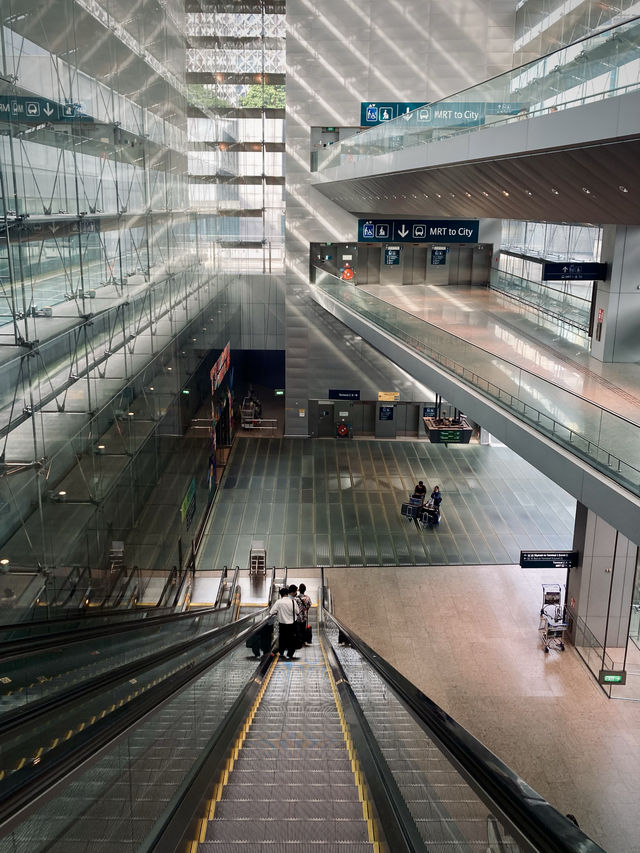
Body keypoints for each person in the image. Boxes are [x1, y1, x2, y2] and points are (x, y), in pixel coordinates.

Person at [270, 585, 300, 659]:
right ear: (287, 594)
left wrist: (278, 612)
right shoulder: (293, 602)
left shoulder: (279, 602)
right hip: (292, 624)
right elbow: (297, 612)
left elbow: (271, 612)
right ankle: (290, 654)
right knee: (291, 639)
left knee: (282, 639)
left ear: (281, 594)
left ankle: (282, 653)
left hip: (282, 624)